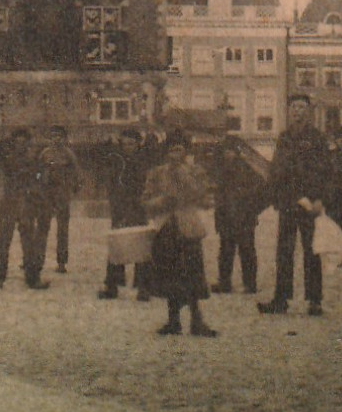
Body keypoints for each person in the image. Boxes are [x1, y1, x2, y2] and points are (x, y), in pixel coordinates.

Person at [258, 93, 332, 317]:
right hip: (289, 201)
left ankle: (314, 300)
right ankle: (281, 299)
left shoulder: (317, 138)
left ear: (308, 112)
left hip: (309, 202)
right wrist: (276, 196)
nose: (297, 111)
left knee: (312, 251)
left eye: (302, 107)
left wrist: (319, 198)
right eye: (294, 107)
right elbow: (277, 169)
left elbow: (324, 171)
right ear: (289, 111)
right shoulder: (284, 138)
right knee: (284, 252)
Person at [142, 131, 216, 338]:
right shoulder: (156, 173)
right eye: (172, 149)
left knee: (192, 274)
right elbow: (146, 200)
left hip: (188, 228)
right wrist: (162, 201)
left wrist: (183, 175)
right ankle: (173, 320)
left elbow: (204, 198)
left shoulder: (196, 171)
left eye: (180, 149)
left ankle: (196, 320)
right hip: (166, 227)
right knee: (169, 275)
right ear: (166, 152)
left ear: (186, 152)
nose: (175, 153)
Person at [0, 127, 47, 290]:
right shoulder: (7, 157)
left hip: (26, 204)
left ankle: (33, 278)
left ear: (27, 143)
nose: (20, 144)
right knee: (4, 240)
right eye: (17, 141)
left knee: (29, 243)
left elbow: (40, 177)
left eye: (23, 141)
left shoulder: (34, 160)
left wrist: (35, 192)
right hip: (9, 203)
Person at [98, 127, 152, 300]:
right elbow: (111, 182)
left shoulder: (143, 161)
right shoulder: (116, 160)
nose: (128, 146)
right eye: (125, 143)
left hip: (138, 207)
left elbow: (147, 185)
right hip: (119, 207)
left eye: (132, 143)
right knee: (117, 245)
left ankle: (143, 287)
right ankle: (112, 285)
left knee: (141, 246)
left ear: (138, 144)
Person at [211, 136, 269, 294]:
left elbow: (262, 189)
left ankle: (250, 284)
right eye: (225, 151)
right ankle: (224, 283)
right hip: (226, 216)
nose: (227, 154)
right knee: (225, 250)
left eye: (230, 151)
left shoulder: (247, 169)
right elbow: (218, 194)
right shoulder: (220, 170)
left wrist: (253, 208)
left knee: (247, 250)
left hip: (244, 216)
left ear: (236, 152)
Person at [35, 125, 81, 274]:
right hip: (46, 194)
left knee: (62, 229)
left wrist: (74, 187)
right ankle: (38, 260)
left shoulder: (69, 154)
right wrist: (37, 186)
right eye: (53, 136)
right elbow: (37, 172)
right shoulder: (44, 153)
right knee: (42, 227)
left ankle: (61, 262)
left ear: (64, 138)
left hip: (62, 193)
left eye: (59, 136)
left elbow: (76, 173)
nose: (56, 139)